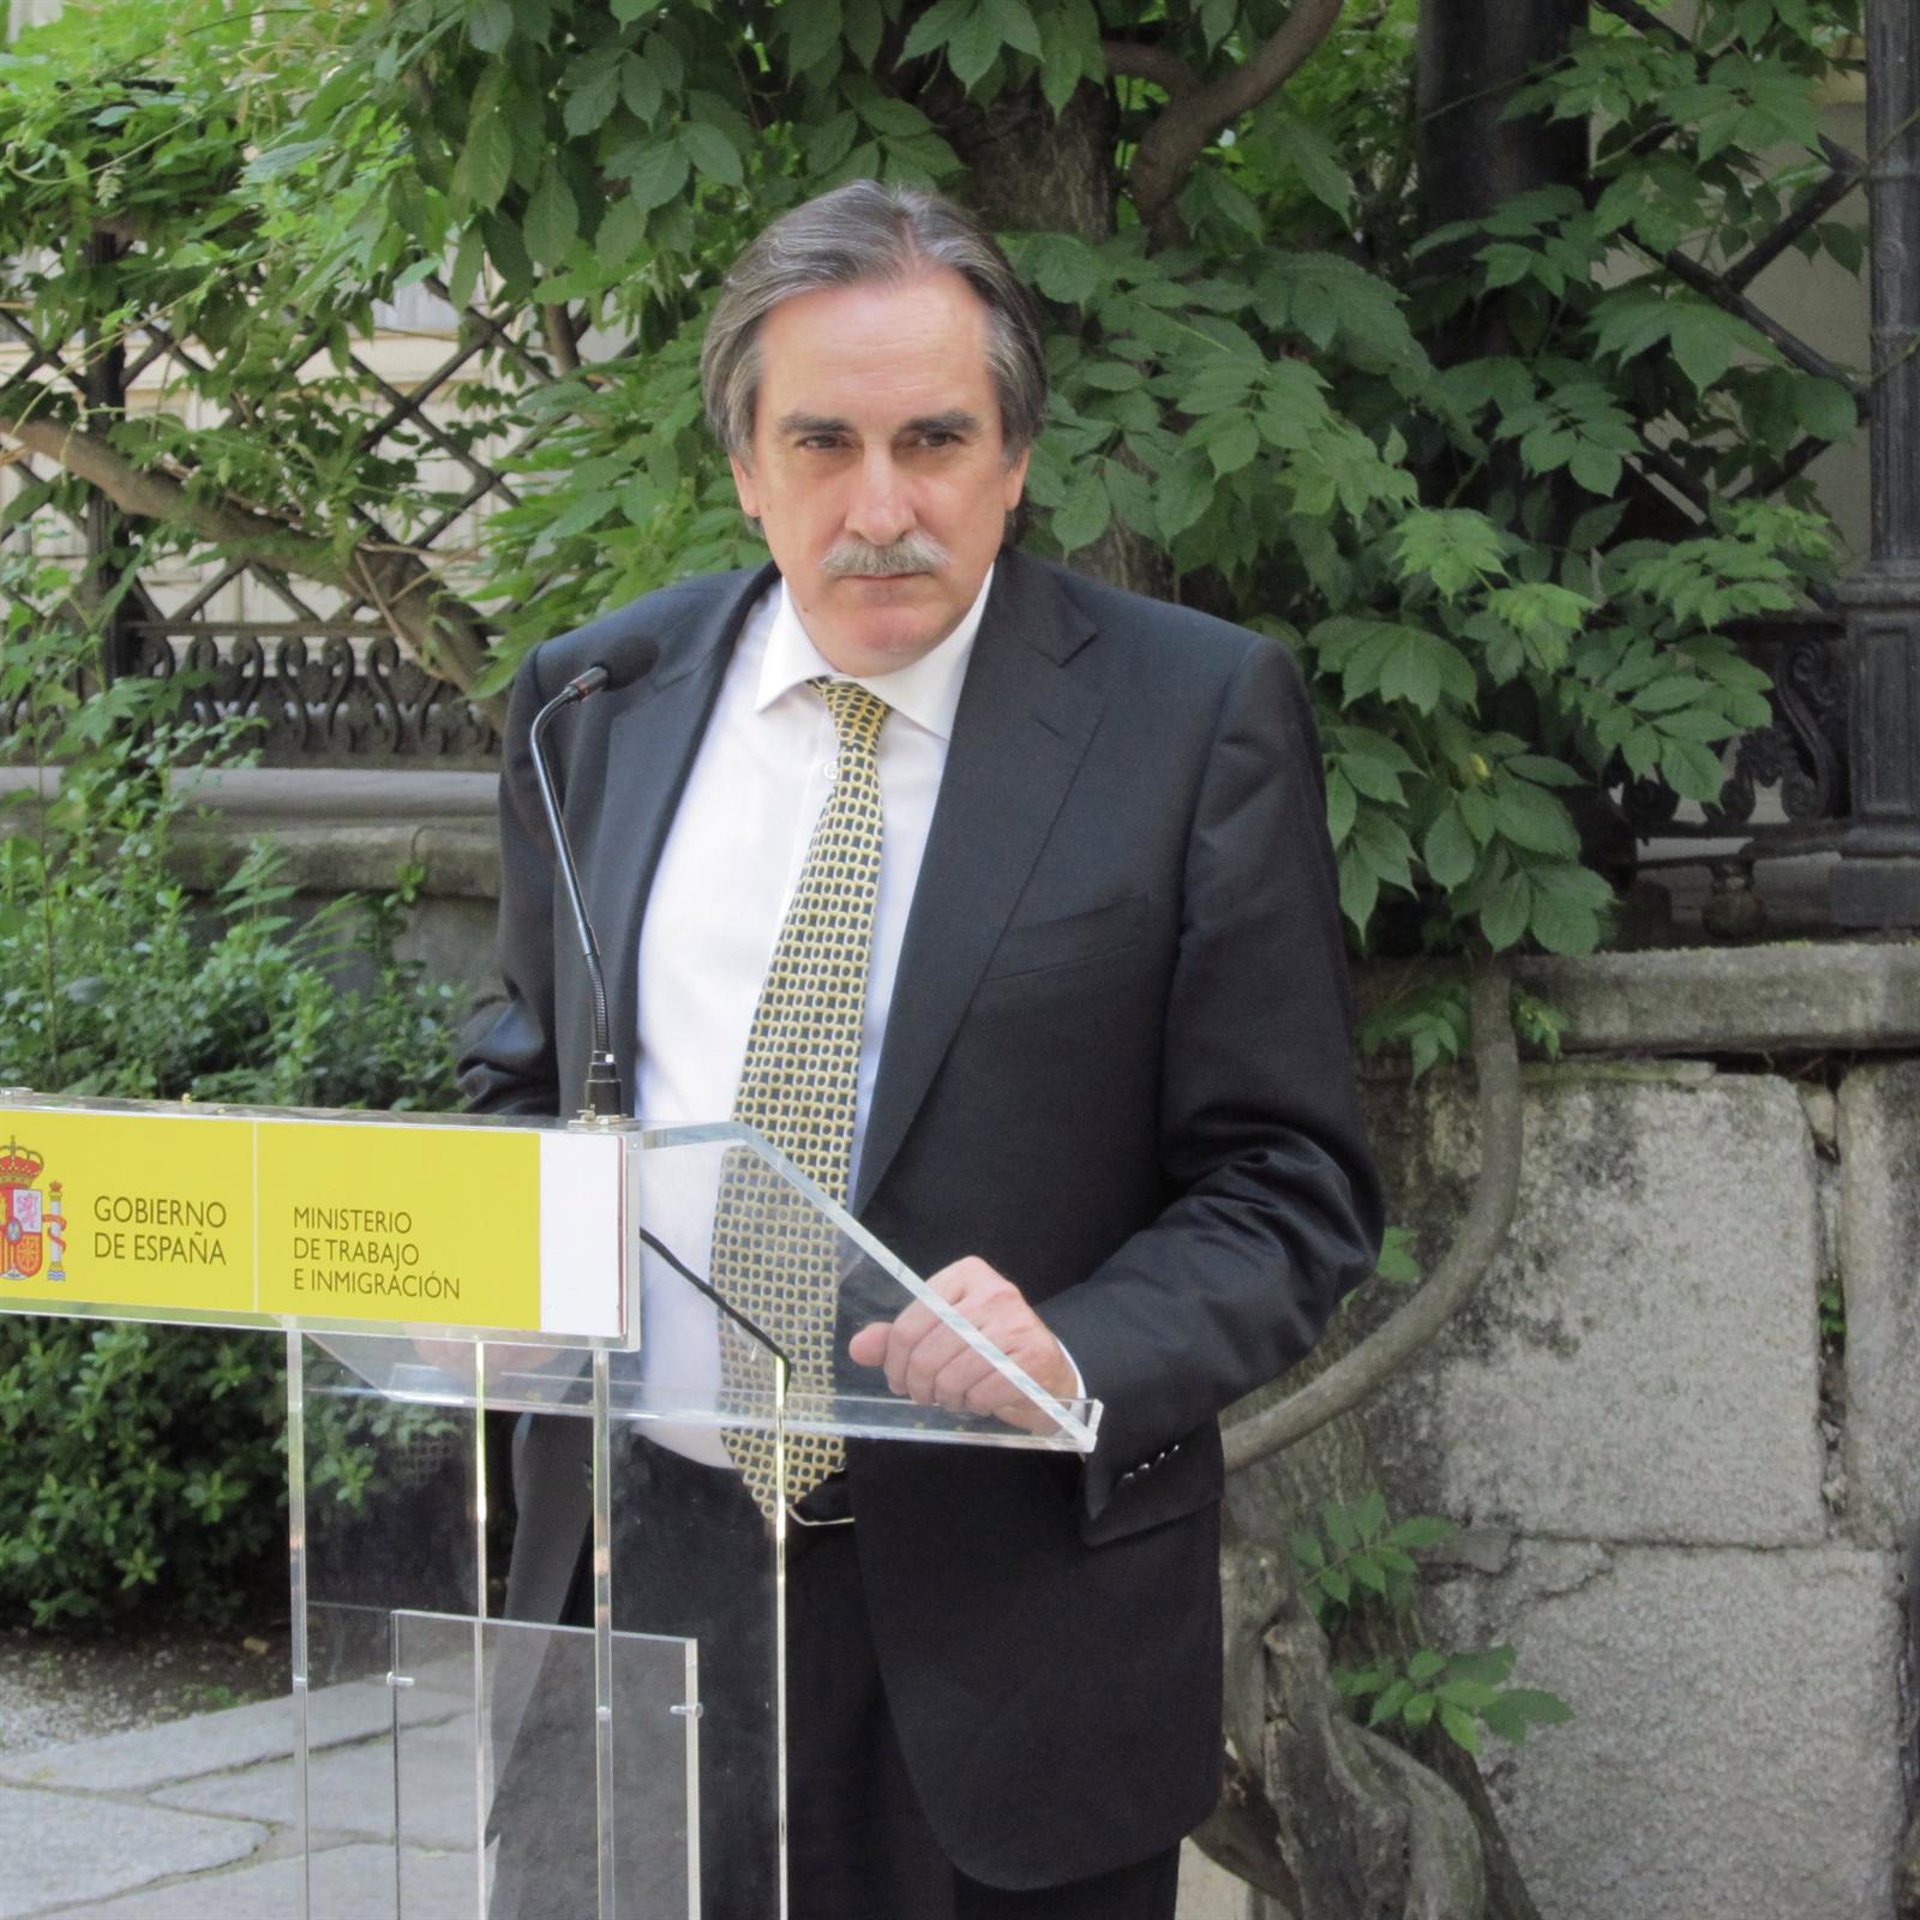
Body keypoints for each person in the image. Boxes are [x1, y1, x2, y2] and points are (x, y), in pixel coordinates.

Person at [460, 179, 1382, 1920]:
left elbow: (1292, 1186)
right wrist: (487, 1251)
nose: (880, 507)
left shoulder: (1191, 718)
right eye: (822, 443)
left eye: (935, 441)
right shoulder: (593, 704)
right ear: (746, 467)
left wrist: (1077, 1343)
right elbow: (526, 1072)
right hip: (639, 1586)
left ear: (1015, 459)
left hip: (1012, 1629)